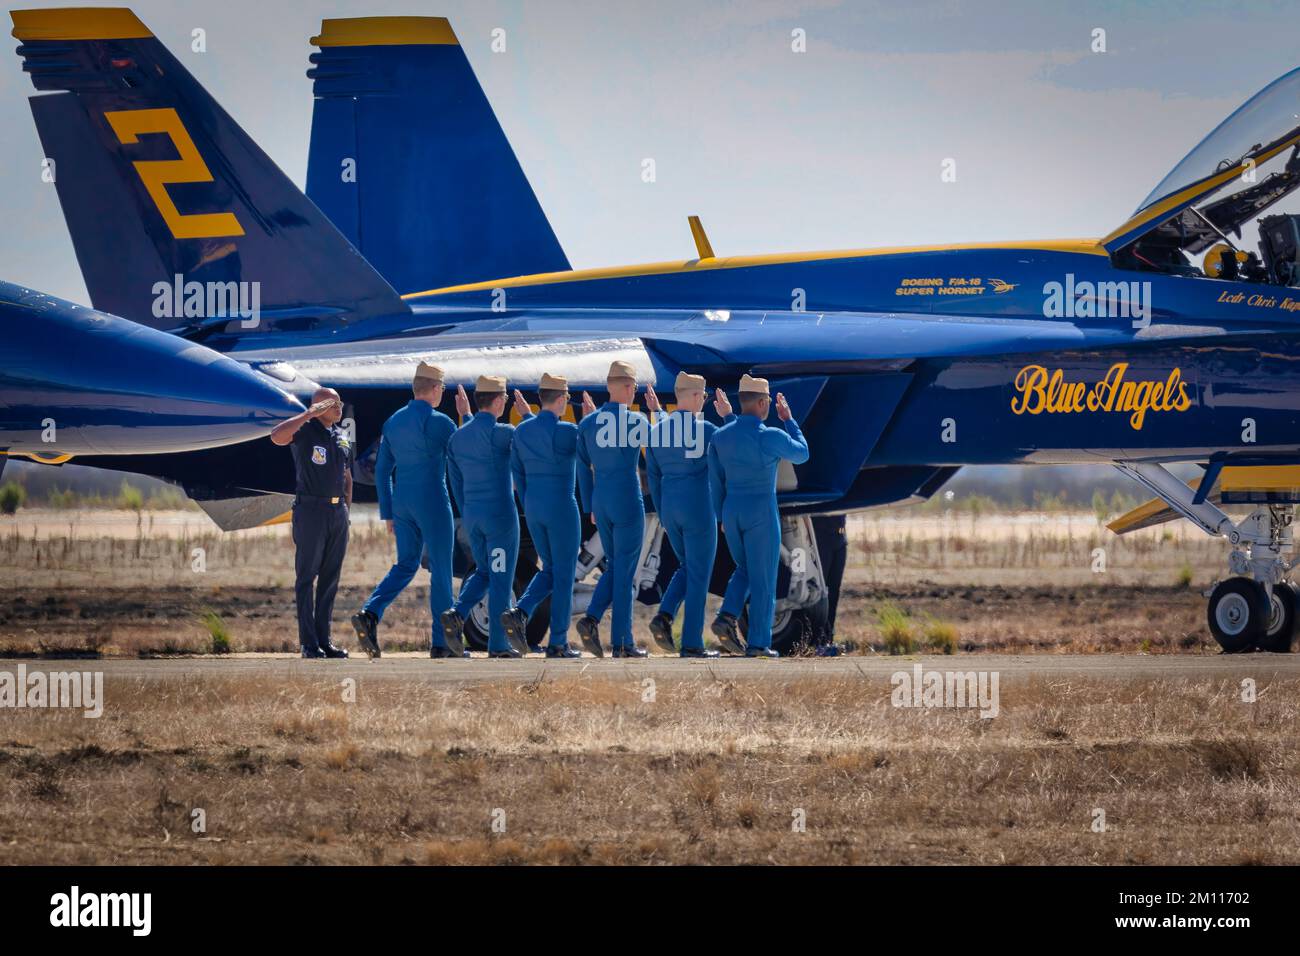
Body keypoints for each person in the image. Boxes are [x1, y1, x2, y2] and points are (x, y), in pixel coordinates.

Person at [350, 362, 465, 659]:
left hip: (402, 503)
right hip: (433, 500)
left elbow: (382, 471)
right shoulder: (441, 422)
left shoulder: (393, 422)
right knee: (441, 569)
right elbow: (466, 452)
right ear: (437, 389)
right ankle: (442, 643)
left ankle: (370, 612)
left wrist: (387, 511)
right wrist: (466, 414)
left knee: (406, 565)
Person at [708, 374, 809, 658]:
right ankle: (758, 644)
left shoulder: (720, 436)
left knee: (746, 570)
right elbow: (802, 454)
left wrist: (721, 517)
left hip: (731, 511)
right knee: (764, 579)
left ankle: (727, 615)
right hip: (760, 512)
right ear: (764, 403)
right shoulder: (771, 436)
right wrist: (789, 420)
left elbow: (715, 481)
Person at [441, 376, 533, 658]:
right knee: (501, 579)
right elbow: (532, 438)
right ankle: (498, 645)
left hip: (473, 516)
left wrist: (466, 415)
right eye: (504, 399)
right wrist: (527, 414)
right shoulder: (504, 432)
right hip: (500, 519)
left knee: (483, 571)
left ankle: (457, 612)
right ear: (497, 400)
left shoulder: (458, 437)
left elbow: (455, 482)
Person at [573, 361, 660, 657]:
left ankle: (592, 619)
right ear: (627, 387)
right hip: (626, 498)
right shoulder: (637, 422)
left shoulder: (587, 423)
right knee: (625, 573)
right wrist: (655, 412)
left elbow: (583, 467)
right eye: (634, 387)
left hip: (601, 501)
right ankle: (623, 643)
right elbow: (662, 449)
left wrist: (589, 505)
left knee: (616, 566)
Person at [645, 372, 733, 658]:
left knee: (687, 566)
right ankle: (692, 642)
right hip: (699, 507)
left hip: (670, 508)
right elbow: (732, 453)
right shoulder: (708, 430)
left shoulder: (656, 431)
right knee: (698, 575)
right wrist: (729, 416)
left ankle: (665, 615)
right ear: (696, 396)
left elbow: (654, 478)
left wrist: (663, 516)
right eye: (704, 396)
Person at [500, 373, 584, 659]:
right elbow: (591, 450)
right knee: (563, 575)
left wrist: (529, 502)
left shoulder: (522, 431)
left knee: (549, 569)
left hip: (533, 507)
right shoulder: (569, 431)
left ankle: (520, 611)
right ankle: (558, 642)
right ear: (561, 399)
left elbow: (518, 474)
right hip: (562, 506)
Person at [270, 387, 352, 659]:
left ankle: (324, 641)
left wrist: (345, 510)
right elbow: (276, 437)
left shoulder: (341, 436)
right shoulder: (306, 431)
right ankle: (308, 643)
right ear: (317, 407)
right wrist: (307, 414)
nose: (338, 406)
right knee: (307, 577)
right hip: (311, 510)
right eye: (332, 403)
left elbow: (347, 476)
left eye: (339, 402)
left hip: (337, 511)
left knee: (331, 578)